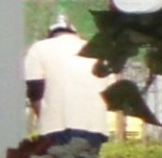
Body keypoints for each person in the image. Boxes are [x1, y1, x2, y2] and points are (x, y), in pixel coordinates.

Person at [25, 14, 110, 147]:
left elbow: (34, 89)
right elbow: (109, 91)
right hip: (94, 126)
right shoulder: (97, 49)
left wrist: (43, 117)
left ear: (51, 34)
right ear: (76, 34)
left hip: (55, 127)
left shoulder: (39, 47)